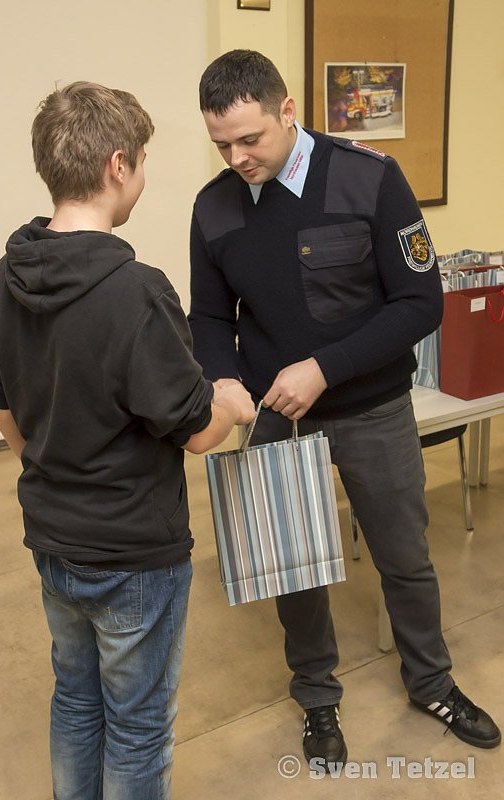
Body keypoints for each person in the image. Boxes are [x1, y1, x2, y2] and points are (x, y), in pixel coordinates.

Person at [188, 50, 501, 770]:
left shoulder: (369, 178)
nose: (237, 158)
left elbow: (420, 303)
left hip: (371, 409)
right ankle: (315, 696)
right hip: (276, 414)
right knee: (292, 566)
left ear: (287, 110)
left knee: (403, 557)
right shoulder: (212, 206)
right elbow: (208, 317)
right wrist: (225, 381)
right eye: (221, 145)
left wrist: (325, 368)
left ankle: (430, 682)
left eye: (250, 139)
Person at [0, 81, 255, 800]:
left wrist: (52, 465)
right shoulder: (136, 290)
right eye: (146, 162)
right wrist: (227, 400)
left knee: (75, 696)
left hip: (54, 539)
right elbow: (194, 432)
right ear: (118, 165)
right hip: (134, 555)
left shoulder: (3, 279)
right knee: (136, 723)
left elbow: (4, 408)